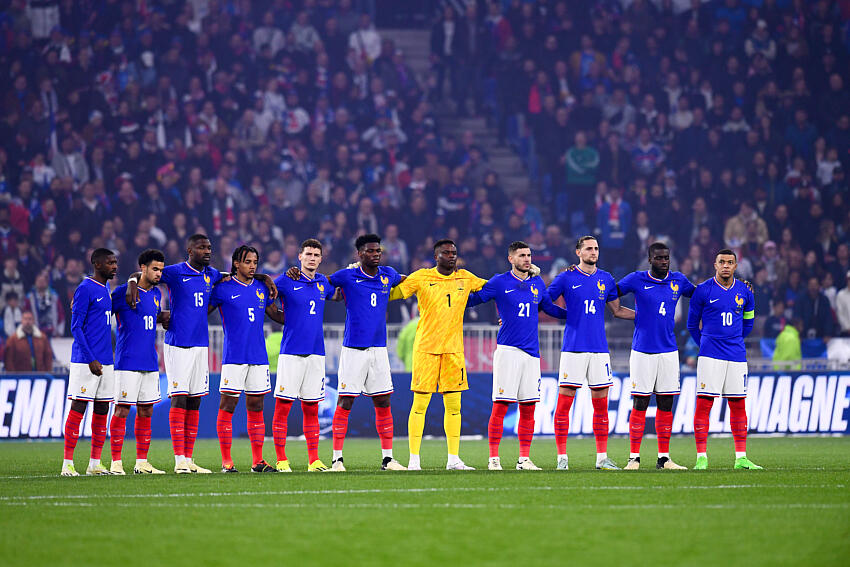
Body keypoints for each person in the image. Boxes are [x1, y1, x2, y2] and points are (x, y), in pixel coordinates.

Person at [125, 234, 277, 474]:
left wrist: (264, 277)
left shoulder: (212, 275)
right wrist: (132, 283)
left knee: (195, 400)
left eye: (209, 247)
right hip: (178, 343)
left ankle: (189, 458)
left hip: (200, 345)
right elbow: (145, 275)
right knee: (179, 398)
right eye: (201, 247)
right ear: (189, 249)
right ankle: (179, 461)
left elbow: (236, 275)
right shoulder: (174, 272)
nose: (207, 251)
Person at [289, 234, 405, 471]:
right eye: (370, 251)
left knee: (383, 401)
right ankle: (337, 459)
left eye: (378, 251)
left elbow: (408, 281)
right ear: (360, 254)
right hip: (353, 350)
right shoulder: (346, 276)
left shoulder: (389, 274)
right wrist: (296, 275)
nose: (375, 255)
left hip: (379, 350)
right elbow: (319, 284)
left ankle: (387, 458)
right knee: (345, 401)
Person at [390, 239, 489, 471]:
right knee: (419, 405)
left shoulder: (466, 277)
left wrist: (525, 276)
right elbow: (392, 293)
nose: (452, 256)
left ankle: (453, 459)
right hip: (426, 349)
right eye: (446, 253)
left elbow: (497, 288)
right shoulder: (422, 277)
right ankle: (414, 460)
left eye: (454, 252)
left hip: (454, 351)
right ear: (436, 257)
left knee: (454, 406)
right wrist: (369, 280)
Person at [467, 241, 566, 471]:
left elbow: (548, 308)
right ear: (511, 259)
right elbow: (475, 299)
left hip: (532, 354)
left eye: (529, 255)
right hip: (508, 351)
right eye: (522, 255)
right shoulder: (500, 282)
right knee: (500, 406)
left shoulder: (537, 282)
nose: (527, 259)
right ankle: (494, 459)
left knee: (529, 407)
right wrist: (452, 295)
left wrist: (573, 315)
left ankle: (524, 459)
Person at [547, 236, 635, 471]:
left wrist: (645, 315)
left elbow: (617, 310)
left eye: (596, 248)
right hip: (573, 349)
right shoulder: (566, 277)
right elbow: (544, 301)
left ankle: (602, 458)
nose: (593, 252)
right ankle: (562, 458)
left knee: (601, 407)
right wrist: (565, 315)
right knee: (564, 405)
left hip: (599, 350)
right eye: (588, 248)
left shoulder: (605, 278)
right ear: (578, 252)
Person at [616, 243, 695, 470]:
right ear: (649, 259)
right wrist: (617, 311)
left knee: (666, 403)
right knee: (640, 402)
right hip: (642, 351)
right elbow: (610, 291)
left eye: (666, 257)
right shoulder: (636, 279)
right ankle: (634, 458)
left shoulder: (678, 280)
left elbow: (700, 294)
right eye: (659, 258)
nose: (664, 261)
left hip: (669, 352)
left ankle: (664, 458)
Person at [208, 246, 282, 473]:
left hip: (258, 357)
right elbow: (201, 312)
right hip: (234, 357)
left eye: (255, 262)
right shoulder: (222, 289)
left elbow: (276, 315)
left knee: (256, 405)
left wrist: (303, 319)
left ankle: (258, 461)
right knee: (228, 405)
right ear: (236, 264)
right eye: (247, 261)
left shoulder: (261, 287)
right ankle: (226, 461)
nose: (252, 266)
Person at [687, 249, 762, 470]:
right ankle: (702, 457)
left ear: (736, 266)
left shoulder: (746, 291)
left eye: (730, 262)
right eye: (722, 262)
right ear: (715, 265)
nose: (726, 266)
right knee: (704, 404)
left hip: (737, 356)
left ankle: (741, 458)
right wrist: (706, 344)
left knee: (738, 403)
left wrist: (734, 340)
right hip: (710, 355)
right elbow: (692, 325)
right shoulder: (702, 290)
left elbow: (748, 323)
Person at [272, 239, 339, 472]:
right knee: (283, 406)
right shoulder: (286, 279)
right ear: (299, 257)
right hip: (291, 352)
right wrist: (280, 317)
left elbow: (338, 294)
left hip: (316, 353)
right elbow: (265, 293)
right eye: (308, 254)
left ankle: (314, 460)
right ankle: (281, 459)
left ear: (321, 259)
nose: (312, 258)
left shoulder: (323, 282)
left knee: (311, 407)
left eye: (316, 255)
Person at [108, 249, 170, 475]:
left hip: (150, 361)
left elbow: (150, 318)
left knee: (146, 411)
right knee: (122, 409)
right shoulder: (124, 291)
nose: (159, 274)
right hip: (127, 360)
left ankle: (141, 462)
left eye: (161, 270)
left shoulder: (156, 295)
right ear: (142, 268)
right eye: (155, 269)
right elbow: (105, 314)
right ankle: (116, 462)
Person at [61, 248, 117, 476]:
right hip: (86, 360)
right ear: (97, 264)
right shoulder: (84, 289)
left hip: (106, 359)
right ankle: (67, 464)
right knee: (79, 406)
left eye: (115, 262)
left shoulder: (105, 288)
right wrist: (90, 358)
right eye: (110, 263)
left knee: (103, 408)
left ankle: (95, 462)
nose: (114, 266)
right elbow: (76, 327)